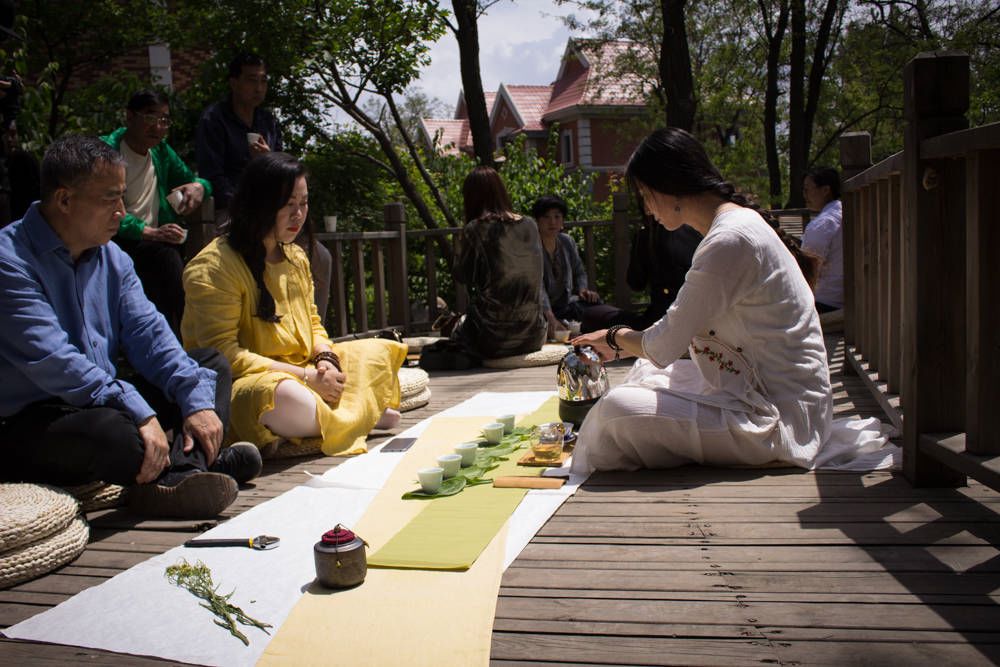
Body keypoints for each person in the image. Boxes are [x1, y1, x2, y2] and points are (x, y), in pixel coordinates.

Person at [569, 127, 895, 475]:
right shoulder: (732, 228)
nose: (647, 209)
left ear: (670, 186)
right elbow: (670, 338)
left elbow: (664, 342)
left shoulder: (729, 240)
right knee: (645, 372)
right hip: (767, 394)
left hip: (781, 419)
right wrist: (622, 345)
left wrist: (612, 337)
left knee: (618, 410)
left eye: (646, 196)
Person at [0, 136, 261, 518]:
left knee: (208, 367)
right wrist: (140, 412)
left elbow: (151, 336)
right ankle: (198, 465)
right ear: (64, 200)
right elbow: (56, 361)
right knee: (115, 434)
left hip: (102, 397)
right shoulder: (9, 261)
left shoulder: (113, 257)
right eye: (110, 199)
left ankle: (182, 476)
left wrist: (196, 401)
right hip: (32, 419)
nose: (123, 211)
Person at [181, 152, 406, 456]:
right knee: (282, 396)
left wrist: (327, 360)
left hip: (306, 368)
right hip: (251, 382)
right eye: (289, 205)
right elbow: (224, 355)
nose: (299, 214)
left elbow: (313, 322)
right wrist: (306, 378)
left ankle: (339, 416)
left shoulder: (296, 256)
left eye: (304, 203)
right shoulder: (213, 267)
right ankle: (357, 413)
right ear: (260, 204)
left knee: (376, 350)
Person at [196, 52, 333, 324]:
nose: (258, 88)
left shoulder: (267, 121)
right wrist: (245, 206)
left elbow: (286, 171)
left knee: (321, 258)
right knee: (242, 254)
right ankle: (256, 327)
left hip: (277, 209)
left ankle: (312, 329)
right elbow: (212, 175)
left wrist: (268, 160)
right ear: (233, 82)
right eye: (251, 80)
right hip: (232, 210)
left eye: (263, 81)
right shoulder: (214, 120)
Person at [101, 90, 210, 334]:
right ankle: (186, 339)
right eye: (150, 118)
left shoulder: (160, 151)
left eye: (164, 120)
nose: (158, 127)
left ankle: (185, 338)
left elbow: (194, 179)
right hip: (116, 239)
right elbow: (104, 208)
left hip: (156, 241)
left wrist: (199, 186)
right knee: (166, 259)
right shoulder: (106, 152)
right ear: (129, 117)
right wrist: (148, 232)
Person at [452, 166, 547, 359]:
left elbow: (462, 275)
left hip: (493, 339)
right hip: (534, 334)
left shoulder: (475, 229)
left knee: (457, 329)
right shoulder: (530, 224)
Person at [531, 195, 601, 336]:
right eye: (546, 217)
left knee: (604, 314)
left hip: (567, 306)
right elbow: (537, 286)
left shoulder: (566, 242)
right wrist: (550, 317)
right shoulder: (532, 248)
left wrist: (583, 289)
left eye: (557, 217)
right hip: (542, 310)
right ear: (537, 221)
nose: (552, 222)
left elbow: (579, 271)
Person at [801, 167, 843, 313]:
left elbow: (807, 269)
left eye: (807, 189)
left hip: (825, 301)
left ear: (825, 190)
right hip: (843, 295)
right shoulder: (843, 212)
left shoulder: (822, 224)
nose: (804, 195)